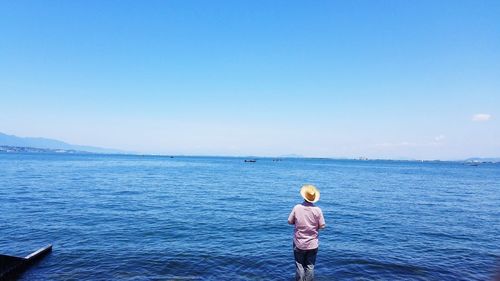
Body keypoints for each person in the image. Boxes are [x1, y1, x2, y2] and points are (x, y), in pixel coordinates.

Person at [288, 184, 326, 281]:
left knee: (299, 266)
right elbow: (322, 226)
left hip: (299, 243)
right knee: (310, 266)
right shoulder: (318, 210)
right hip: (313, 244)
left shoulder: (297, 208)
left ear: (304, 196)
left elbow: (289, 221)